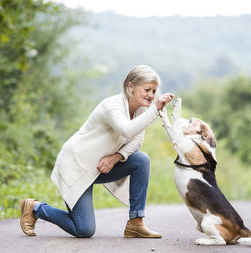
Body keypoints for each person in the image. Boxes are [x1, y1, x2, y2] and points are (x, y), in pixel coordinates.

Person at [20, 65, 174, 238]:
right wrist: (155, 110)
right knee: (84, 230)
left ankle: (136, 223)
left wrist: (116, 157)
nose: (151, 95)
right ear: (130, 87)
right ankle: (35, 208)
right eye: (147, 90)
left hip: (100, 167)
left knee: (141, 160)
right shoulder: (112, 106)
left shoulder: (142, 110)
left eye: (154, 91)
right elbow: (127, 130)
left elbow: (137, 140)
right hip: (77, 166)